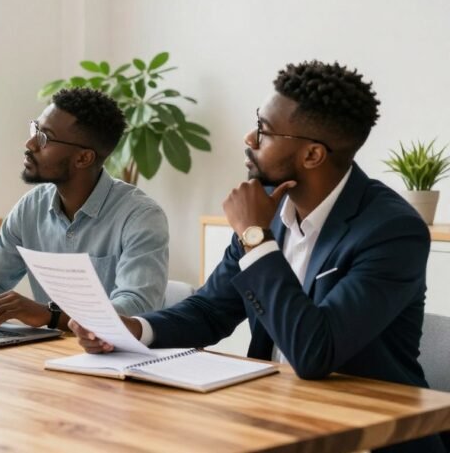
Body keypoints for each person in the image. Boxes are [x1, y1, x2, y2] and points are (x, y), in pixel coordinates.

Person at [70, 61, 444, 453]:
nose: (250, 137)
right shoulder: (270, 214)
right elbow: (209, 310)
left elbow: (314, 354)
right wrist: (133, 329)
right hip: (277, 419)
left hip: (369, 436)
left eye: (264, 131)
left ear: (312, 154)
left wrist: (256, 238)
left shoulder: (391, 231)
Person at [0, 87, 169, 331]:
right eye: (36, 129)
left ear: (83, 158)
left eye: (45, 137)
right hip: (48, 354)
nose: (30, 143)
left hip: (119, 360)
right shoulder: (31, 207)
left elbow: (136, 307)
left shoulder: (141, 216)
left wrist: (50, 316)